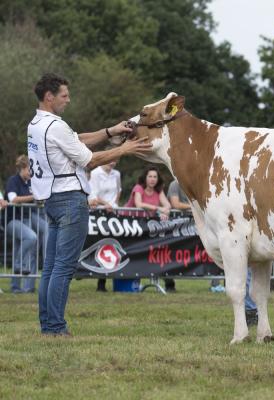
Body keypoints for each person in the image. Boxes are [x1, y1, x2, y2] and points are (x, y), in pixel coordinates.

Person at [28, 73, 151, 336]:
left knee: (50, 267)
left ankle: (48, 326)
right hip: (71, 199)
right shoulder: (56, 126)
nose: (68, 100)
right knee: (63, 268)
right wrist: (125, 149)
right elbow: (90, 161)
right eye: (64, 95)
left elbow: (76, 140)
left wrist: (111, 131)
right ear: (49, 97)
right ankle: (57, 328)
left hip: (52, 199)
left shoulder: (36, 124)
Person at [125, 167, 174, 291]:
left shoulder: (159, 190)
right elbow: (139, 204)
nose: (152, 179)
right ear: (145, 178)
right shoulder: (138, 188)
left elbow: (167, 205)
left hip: (147, 228)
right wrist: (158, 209)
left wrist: (165, 212)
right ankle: (133, 283)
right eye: (150, 176)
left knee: (155, 252)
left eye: (155, 177)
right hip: (129, 225)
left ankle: (162, 283)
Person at [5, 155, 48, 293]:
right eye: (30, 169)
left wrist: (39, 200)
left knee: (27, 250)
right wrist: (34, 197)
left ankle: (22, 287)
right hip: (13, 220)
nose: (31, 172)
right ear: (23, 168)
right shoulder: (13, 181)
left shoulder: (30, 182)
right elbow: (13, 199)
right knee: (31, 237)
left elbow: (36, 199)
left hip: (28, 217)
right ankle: (18, 266)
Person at [89, 161, 122, 292]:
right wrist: (106, 204)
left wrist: (114, 204)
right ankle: (99, 280)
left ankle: (109, 278)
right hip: (99, 213)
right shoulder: (95, 173)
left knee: (112, 245)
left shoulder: (117, 174)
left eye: (115, 160)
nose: (113, 163)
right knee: (99, 245)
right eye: (111, 160)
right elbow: (93, 194)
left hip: (113, 213)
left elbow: (119, 190)